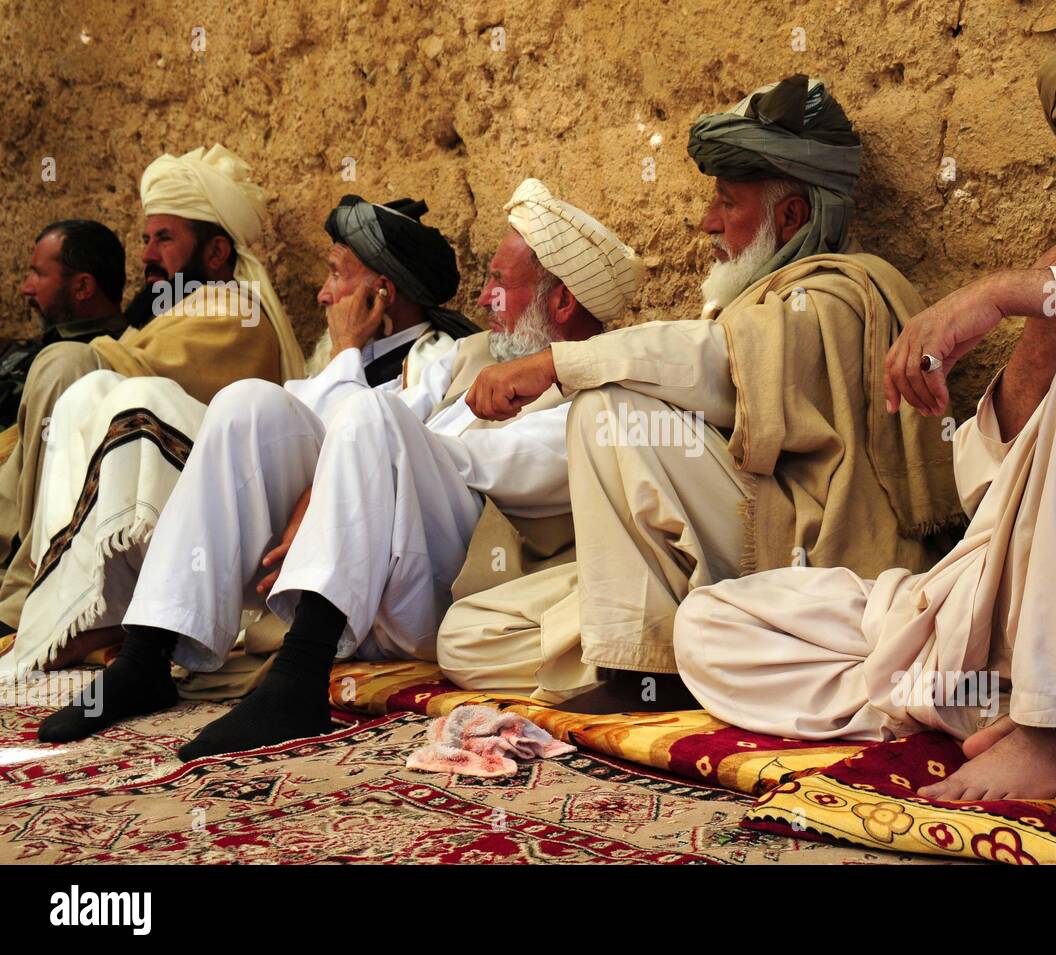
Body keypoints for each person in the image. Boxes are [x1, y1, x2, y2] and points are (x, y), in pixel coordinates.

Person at [670, 35, 1056, 802]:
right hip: (1001, 604)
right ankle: (1014, 702)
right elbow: (986, 490)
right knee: (710, 623)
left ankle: (1054, 725)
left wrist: (1007, 293)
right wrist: (1043, 325)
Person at [38, 179, 643, 762]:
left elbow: (485, 463)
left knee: (373, 417)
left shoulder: (599, 398)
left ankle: (300, 678)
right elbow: (349, 427)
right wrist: (338, 470)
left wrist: (358, 464)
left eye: (498, 283)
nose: (483, 300)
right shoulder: (474, 356)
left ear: (561, 301)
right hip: (376, 560)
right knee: (248, 404)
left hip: (455, 585)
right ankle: (144, 658)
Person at [443, 74, 962, 712]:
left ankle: (643, 672)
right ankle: (654, 653)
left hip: (800, 552)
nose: (706, 222)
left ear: (791, 215)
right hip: (718, 554)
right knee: (466, 638)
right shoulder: (753, 303)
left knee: (606, 408)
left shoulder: (838, 292)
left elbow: (717, 367)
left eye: (727, 202)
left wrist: (559, 362)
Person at [8, 194, 470, 679]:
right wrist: (346, 354)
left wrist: (347, 349)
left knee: (146, 399)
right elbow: (286, 426)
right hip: (268, 539)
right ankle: (102, 623)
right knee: (113, 393)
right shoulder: (338, 359)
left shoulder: (438, 359)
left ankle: (134, 635)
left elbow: (363, 440)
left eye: (335, 274)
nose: (322, 295)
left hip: (358, 566)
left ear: (382, 292)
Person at [0, 145, 304, 634]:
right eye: (145, 238)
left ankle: (21, 600)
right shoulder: (176, 310)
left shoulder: (237, 314)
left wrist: (81, 361)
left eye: (164, 238)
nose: (146, 255)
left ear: (217, 251)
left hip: (196, 515)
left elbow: (133, 381)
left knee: (70, 365)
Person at [1, 219, 128, 426]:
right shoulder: (47, 344)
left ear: (82, 287)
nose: (26, 288)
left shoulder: (89, 363)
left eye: (39, 274)